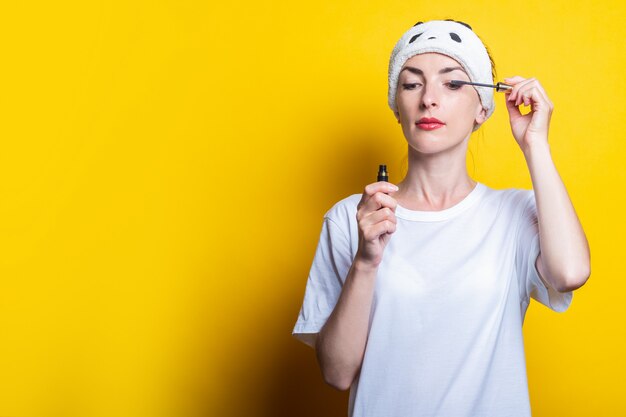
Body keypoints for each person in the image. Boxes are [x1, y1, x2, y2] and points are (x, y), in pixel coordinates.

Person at [292, 19, 590, 417]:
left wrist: (535, 143)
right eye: (412, 83)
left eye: (452, 84)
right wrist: (366, 261)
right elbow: (336, 372)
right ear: (396, 107)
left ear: (483, 107)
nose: (429, 99)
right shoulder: (352, 218)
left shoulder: (514, 214)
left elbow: (570, 273)